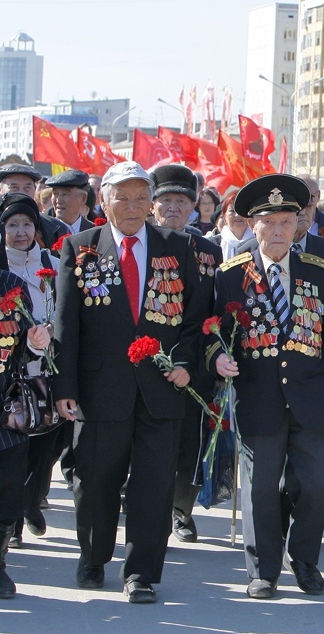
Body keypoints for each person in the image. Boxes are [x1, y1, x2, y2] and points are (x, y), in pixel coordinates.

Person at [53, 161, 207, 604]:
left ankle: (140, 573)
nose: (135, 206)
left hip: (162, 387)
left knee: (154, 484)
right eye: (124, 197)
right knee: (96, 479)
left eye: (143, 197)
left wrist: (185, 365)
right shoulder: (81, 248)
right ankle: (94, 556)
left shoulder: (178, 247)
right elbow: (67, 325)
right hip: (101, 390)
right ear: (104, 201)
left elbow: (196, 317)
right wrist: (66, 387)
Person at [210, 174, 324, 600]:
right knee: (259, 489)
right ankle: (263, 570)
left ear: (299, 224)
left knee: (316, 482)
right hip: (259, 399)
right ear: (252, 226)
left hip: (311, 398)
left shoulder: (320, 268)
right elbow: (212, 333)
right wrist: (216, 359)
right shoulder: (231, 275)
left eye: (286, 222)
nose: (277, 231)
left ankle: (305, 559)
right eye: (268, 223)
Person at [148, 165, 222, 544]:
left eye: (182, 201)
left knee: (191, 442)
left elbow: (217, 308)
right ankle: (152, 509)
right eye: (166, 200)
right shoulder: (144, 246)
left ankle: (182, 511)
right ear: (152, 205)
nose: (173, 208)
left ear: (195, 206)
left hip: (198, 361)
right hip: (152, 359)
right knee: (154, 440)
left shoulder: (210, 250)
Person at [1, 193, 60, 549]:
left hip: (28, 374)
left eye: (27, 224)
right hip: (17, 376)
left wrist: (41, 342)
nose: (21, 232)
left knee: (44, 440)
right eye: (12, 225)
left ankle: (28, 503)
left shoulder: (19, 280)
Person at [0, 276, 52, 599]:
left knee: (6, 493)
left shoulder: (11, 285)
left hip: (7, 413)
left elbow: (26, 359)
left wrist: (34, 345)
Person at [0, 164, 70, 250]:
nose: (21, 193)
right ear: (1, 190)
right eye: (14, 187)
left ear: (35, 189)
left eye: (27, 188)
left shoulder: (55, 228)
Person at [47, 170, 95, 234]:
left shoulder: (94, 231)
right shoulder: (44, 231)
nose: (58, 200)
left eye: (65, 194)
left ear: (83, 198)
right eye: (55, 194)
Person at [216, 192, 254, 260]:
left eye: (241, 211)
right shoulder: (214, 244)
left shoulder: (258, 242)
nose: (237, 215)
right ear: (224, 217)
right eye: (232, 211)